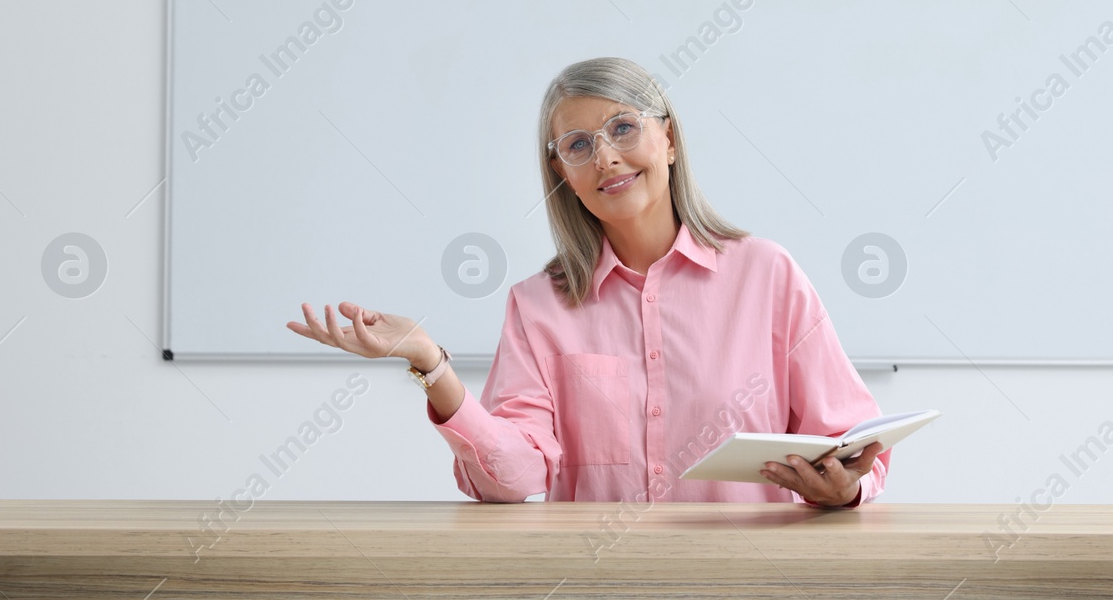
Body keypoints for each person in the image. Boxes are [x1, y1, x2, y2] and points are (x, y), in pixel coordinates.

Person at [287, 56, 889, 507]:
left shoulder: (767, 275)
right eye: (579, 145)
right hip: (596, 583)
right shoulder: (536, 306)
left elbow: (858, 446)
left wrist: (843, 489)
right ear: (563, 173)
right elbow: (514, 478)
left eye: (623, 128)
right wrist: (431, 364)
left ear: (669, 139)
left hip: (746, 583)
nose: (605, 157)